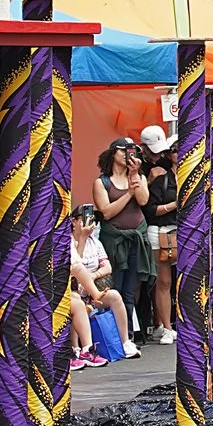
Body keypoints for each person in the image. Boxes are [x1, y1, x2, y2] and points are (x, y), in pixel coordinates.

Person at [92, 138, 156, 340]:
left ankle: (127, 336)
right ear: (113, 153)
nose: (128, 154)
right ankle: (114, 337)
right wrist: (129, 192)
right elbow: (107, 212)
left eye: (132, 151)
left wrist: (134, 174)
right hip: (114, 239)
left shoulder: (139, 176)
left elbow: (143, 200)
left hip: (136, 237)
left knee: (131, 291)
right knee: (114, 289)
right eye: (123, 150)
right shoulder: (102, 182)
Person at [67, 206, 141, 365]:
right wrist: (82, 239)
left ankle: (125, 342)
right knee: (75, 300)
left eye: (92, 218)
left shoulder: (96, 242)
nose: (89, 222)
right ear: (74, 221)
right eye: (84, 218)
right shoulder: (69, 241)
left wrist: (92, 277)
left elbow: (107, 267)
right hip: (74, 288)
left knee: (114, 295)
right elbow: (76, 264)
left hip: (92, 287)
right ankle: (77, 350)